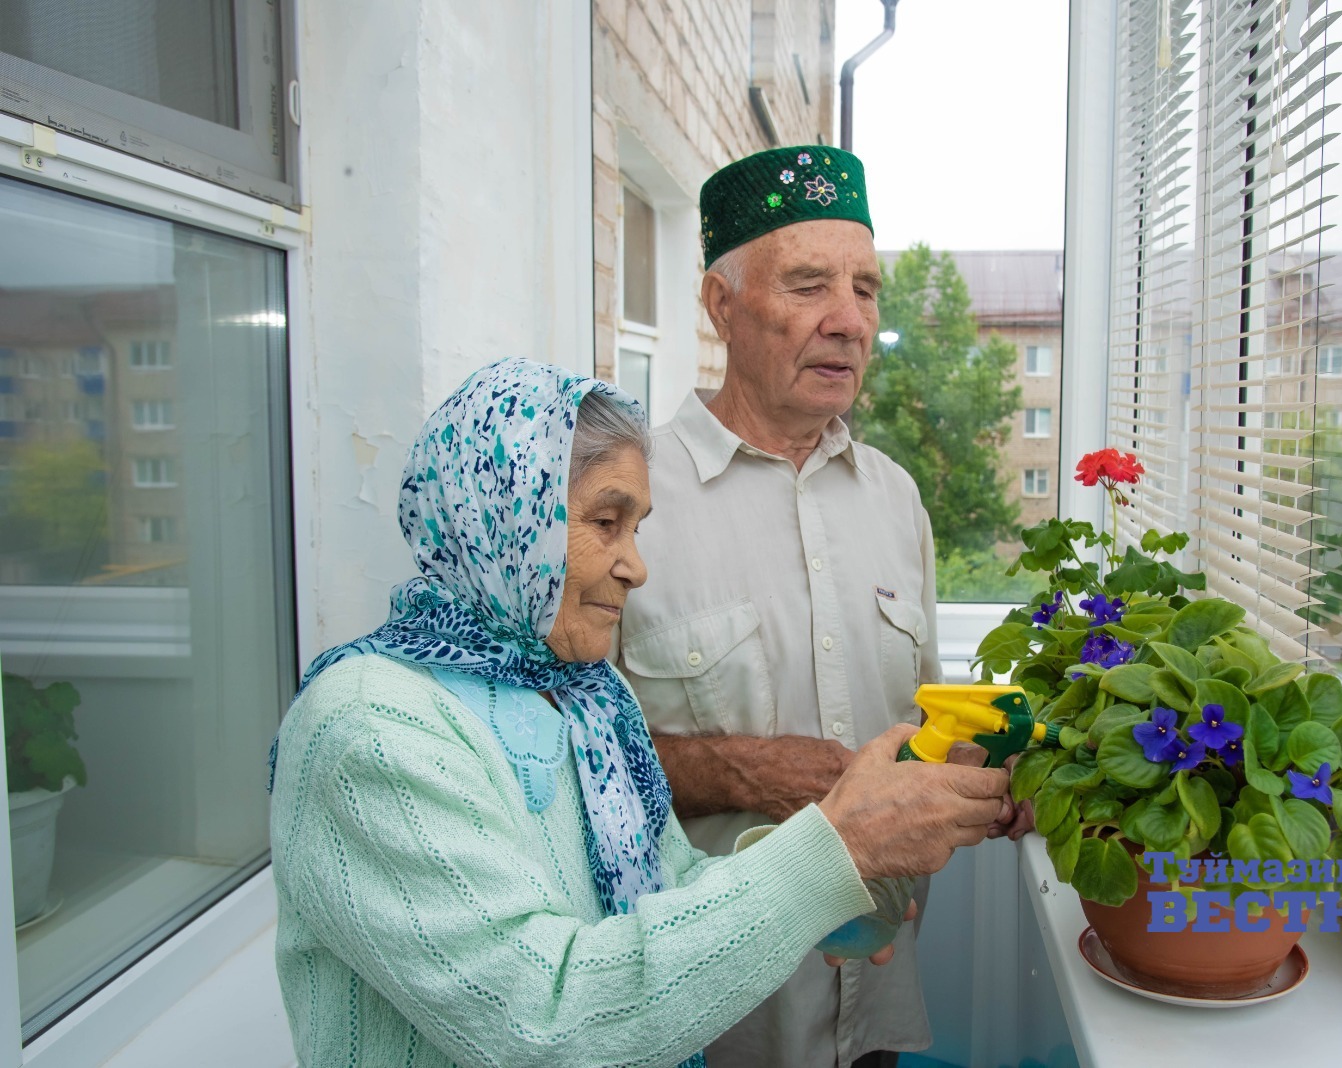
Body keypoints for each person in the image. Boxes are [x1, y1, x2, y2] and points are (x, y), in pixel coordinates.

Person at [267, 358, 1012, 1068]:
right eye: (605, 522)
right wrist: (829, 855)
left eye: (637, 527)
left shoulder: (586, 694)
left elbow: (666, 885)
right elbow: (544, 1021)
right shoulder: (369, 728)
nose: (637, 566)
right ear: (502, 518)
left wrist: (824, 886)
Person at [617, 146, 1026, 1068]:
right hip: (714, 1022)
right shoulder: (626, 500)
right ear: (721, 305)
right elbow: (561, 765)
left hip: (873, 999)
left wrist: (993, 773)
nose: (850, 321)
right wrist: (737, 771)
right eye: (809, 285)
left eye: (866, 289)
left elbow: (919, 726)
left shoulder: (895, 498)